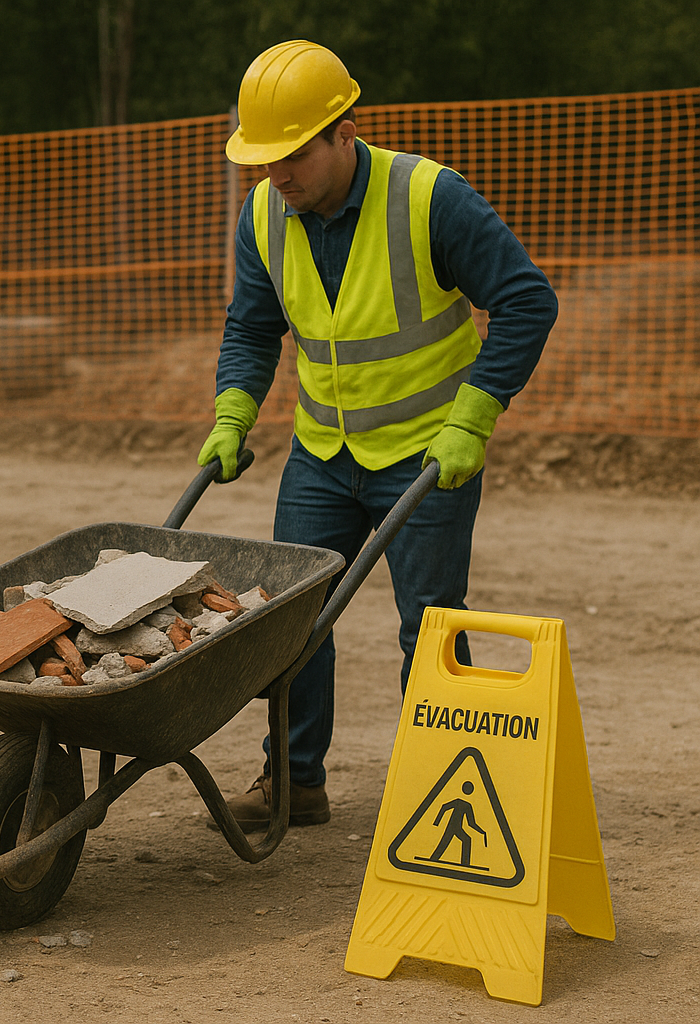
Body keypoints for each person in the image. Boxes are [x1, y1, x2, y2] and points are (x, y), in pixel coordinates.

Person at [199, 40, 556, 832]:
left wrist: (475, 416)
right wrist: (232, 412)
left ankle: (440, 793)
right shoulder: (262, 215)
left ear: (343, 132)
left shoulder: (431, 198)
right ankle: (294, 783)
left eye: (292, 155)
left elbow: (527, 301)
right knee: (291, 617)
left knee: (430, 626)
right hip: (323, 454)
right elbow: (254, 330)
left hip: (429, 453)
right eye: (263, 160)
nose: (277, 175)